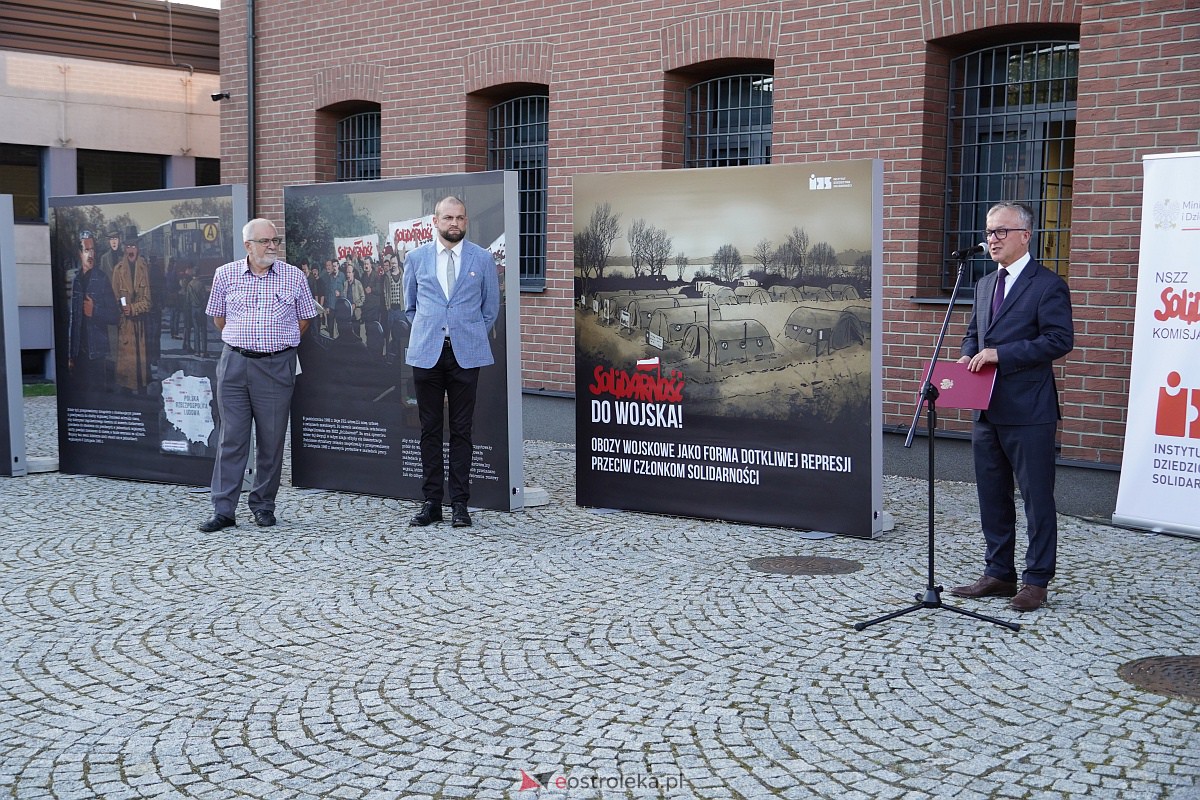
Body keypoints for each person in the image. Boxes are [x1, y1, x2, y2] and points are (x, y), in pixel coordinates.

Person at [950, 202, 1074, 612]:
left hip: (1029, 411)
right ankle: (999, 573)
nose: (992, 239)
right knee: (992, 495)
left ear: (1025, 235)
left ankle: (1036, 580)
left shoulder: (1047, 285)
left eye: (1001, 231)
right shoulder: (985, 284)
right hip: (986, 409)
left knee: (1037, 498)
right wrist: (970, 356)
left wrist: (1001, 354)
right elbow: (973, 334)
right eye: (988, 232)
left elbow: (1059, 340)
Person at [198, 219, 318, 532]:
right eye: (265, 241)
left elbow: (305, 319)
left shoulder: (294, 277)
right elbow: (218, 318)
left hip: (276, 367)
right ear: (248, 245)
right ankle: (223, 510)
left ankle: (264, 506)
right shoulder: (226, 274)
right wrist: (245, 342)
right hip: (235, 365)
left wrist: (277, 343)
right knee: (231, 439)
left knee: (272, 439)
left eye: (275, 240)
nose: (273, 246)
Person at [404, 196, 499, 528]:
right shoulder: (416, 258)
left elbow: (490, 309)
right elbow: (410, 307)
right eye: (448, 218)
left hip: (466, 354)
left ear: (466, 221)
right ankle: (432, 502)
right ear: (435, 221)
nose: (454, 223)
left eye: (460, 218)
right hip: (427, 352)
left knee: (462, 430)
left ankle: (460, 503)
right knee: (429, 429)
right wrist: (433, 330)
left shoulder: (482, 258)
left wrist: (466, 333)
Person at [67, 231, 119, 388]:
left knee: (97, 399)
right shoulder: (75, 280)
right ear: (79, 253)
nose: (90, 254)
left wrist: (94, 311)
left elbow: (115, 316)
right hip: (78, 356)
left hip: (96, 355)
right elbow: (72, 320)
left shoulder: (102, 278)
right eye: (86, 250)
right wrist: (70, 355)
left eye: (92, 249)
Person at [110, 226, 152, 393]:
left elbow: (148, 302)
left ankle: (142, 409)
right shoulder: (118, 271)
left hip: (140, 327)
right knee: (126, 377)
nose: (131, 250)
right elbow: (113, 300)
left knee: (141, 378)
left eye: (134, 246)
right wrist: (122, 312)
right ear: (124, 248)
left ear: (138, 247)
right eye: (128, 246)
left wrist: (133, 309)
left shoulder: (144, 269)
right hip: (125, 328)